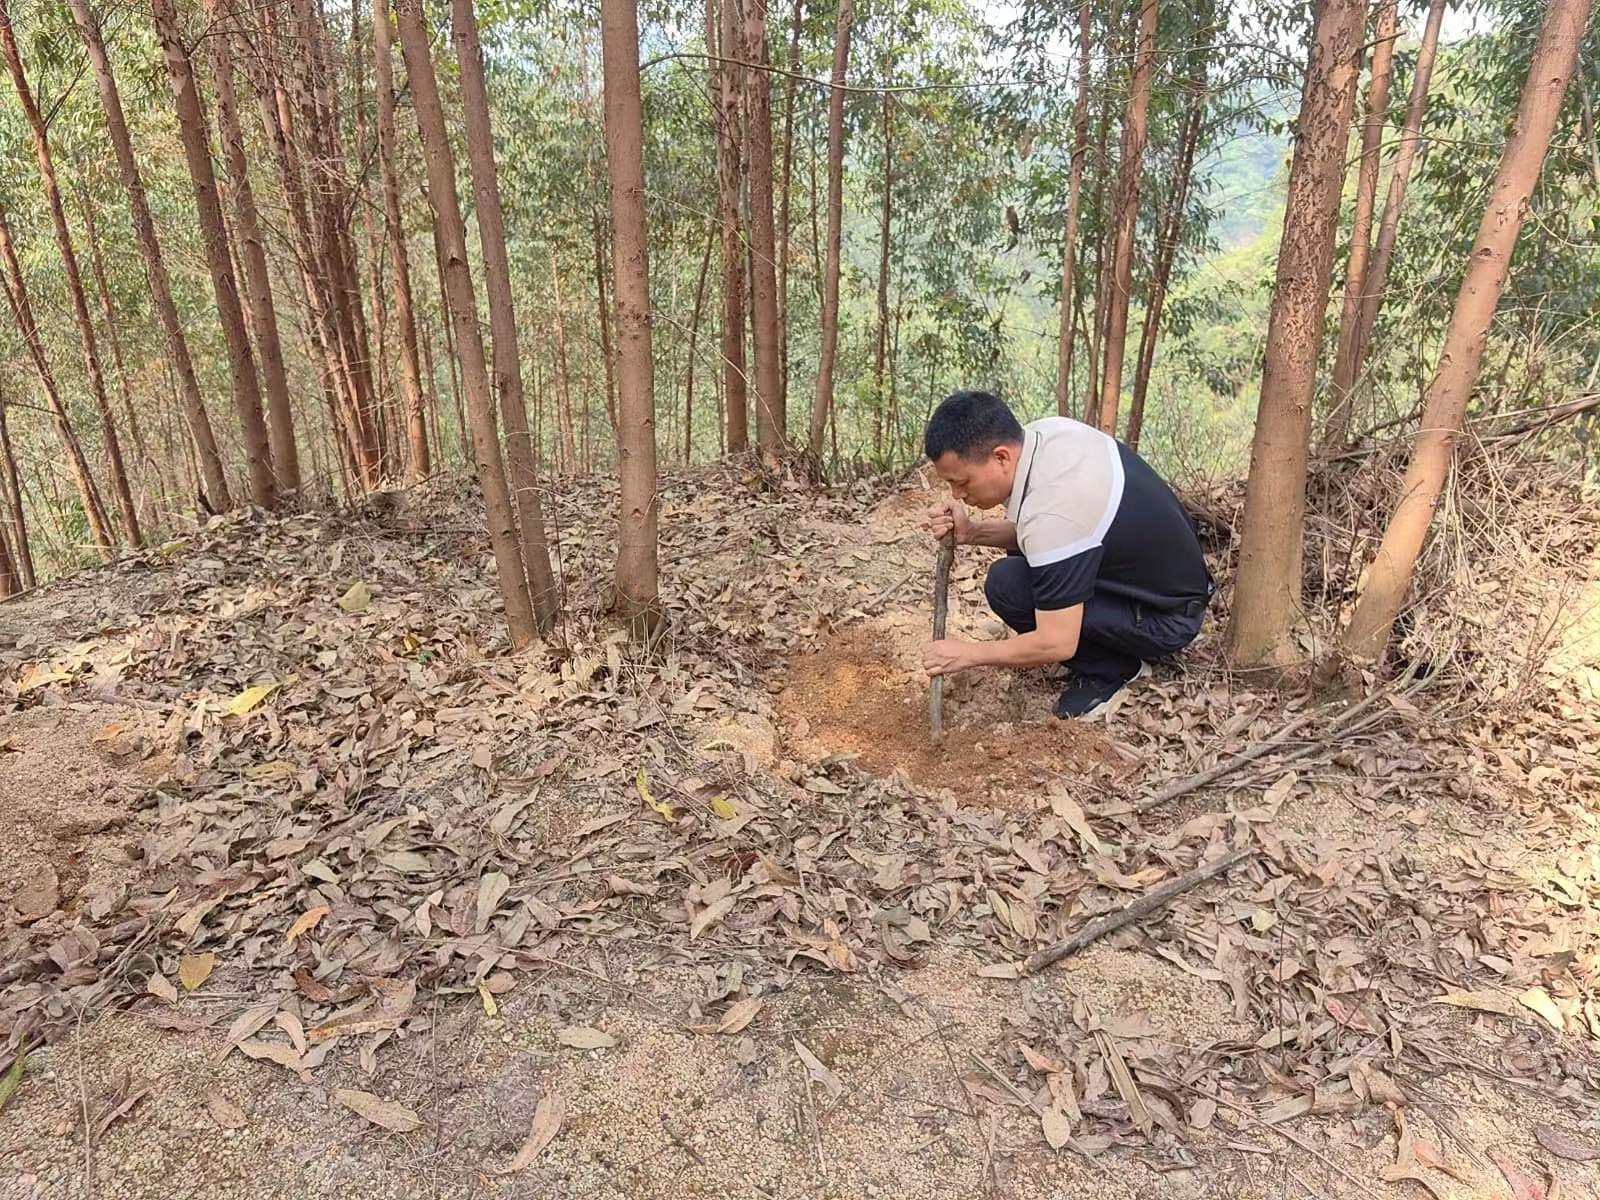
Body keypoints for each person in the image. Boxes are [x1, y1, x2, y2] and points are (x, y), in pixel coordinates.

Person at [921, 390, 1212, 718]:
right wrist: (971, 533)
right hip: (1168, 583)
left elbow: (1055, 642)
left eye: (962, 482)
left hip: (1167, 619)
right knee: (1019, 564)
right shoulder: (1049, 435)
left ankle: (1116, 669)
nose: (958, 494)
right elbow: (1051, 536)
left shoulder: (1053, 511)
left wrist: (968, 655)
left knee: (1008, 586)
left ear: (1001, 457)